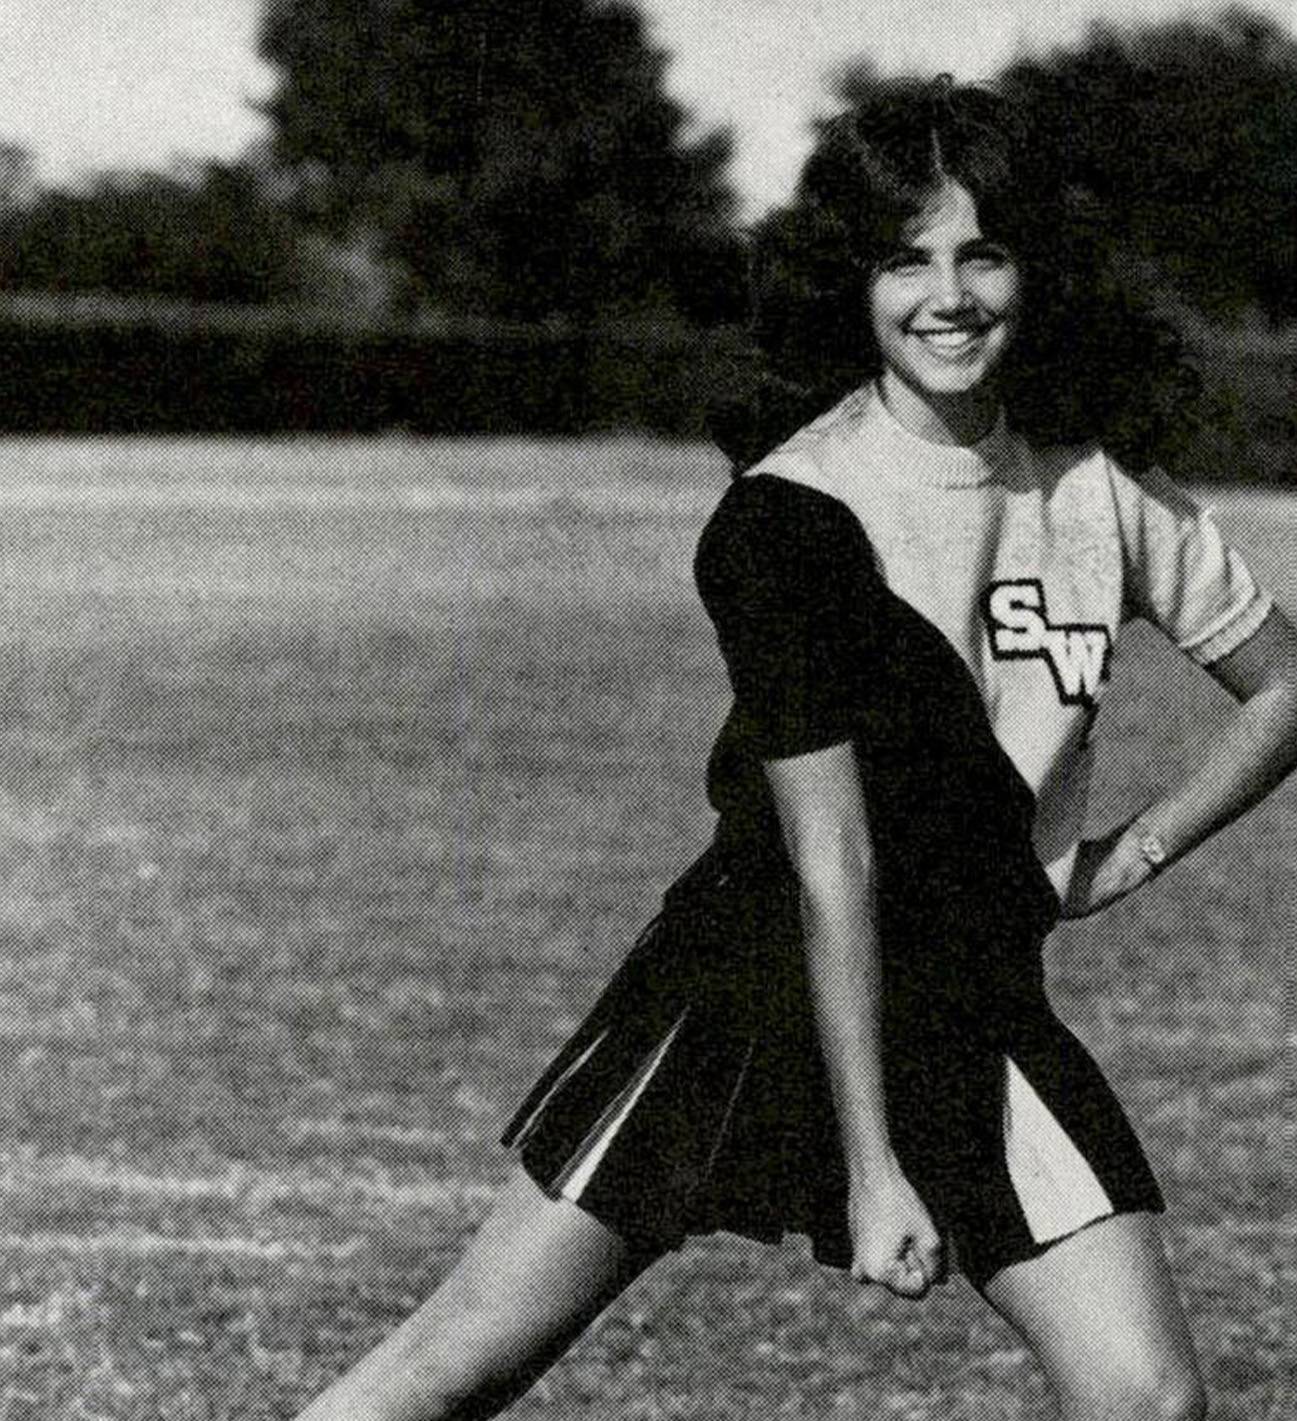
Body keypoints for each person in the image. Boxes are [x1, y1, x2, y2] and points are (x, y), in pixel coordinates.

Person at [294, 80, 1297, 1421]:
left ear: (1033, 270)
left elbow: (1284, 685)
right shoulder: (787, 516)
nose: (946, 296)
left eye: (980, 252)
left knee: (1148, 1396)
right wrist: (874, 1166)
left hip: (968, 995)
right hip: (745, 984)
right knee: (456, 1357)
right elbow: (834, 862)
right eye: (903, 260)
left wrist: (1140, 847)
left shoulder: (1101, 487)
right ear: (850, 284)